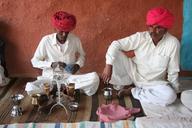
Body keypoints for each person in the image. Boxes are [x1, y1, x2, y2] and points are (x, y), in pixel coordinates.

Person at [102, 7, 180, 106]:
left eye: (158, 27)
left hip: (155, 83)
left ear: (166, 29)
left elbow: (173, 71)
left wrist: (175, 91)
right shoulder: (141, 37)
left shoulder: (173, 43)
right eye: (151, 26)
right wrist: (108, 66)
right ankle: (125, 85)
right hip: (134, 74)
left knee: (170, 96)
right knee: (114, 52)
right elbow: (116, 44)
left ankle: (133, 92)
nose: (153, 31)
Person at [25, 11, 99, 96]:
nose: (64, 35)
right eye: (61, 32)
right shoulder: (46, 40)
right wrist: (51, 64)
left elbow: (82, 55)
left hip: (70, 78)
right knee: (30, 87)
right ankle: (65, 89)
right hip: (51, 79)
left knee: (94, 78)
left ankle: (61, 88)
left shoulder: (75, 40)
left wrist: (78, 65)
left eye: (67, 32)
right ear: (55, 29)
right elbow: (34, 61)